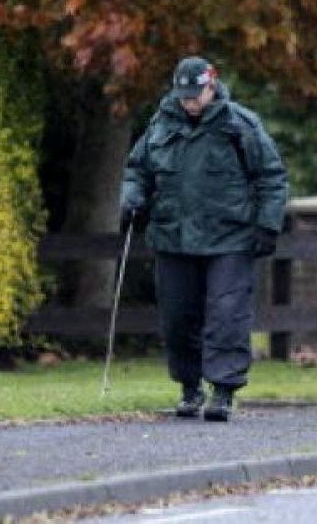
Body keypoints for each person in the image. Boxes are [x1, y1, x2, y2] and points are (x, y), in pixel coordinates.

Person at [120, 56, 288, 422]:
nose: (189, 102)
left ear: (212, 86)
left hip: (230, 238)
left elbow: (271, 177)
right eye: (184, 95)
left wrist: (267, 224)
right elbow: (138, 169)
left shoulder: (240, 125)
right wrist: (132, 196)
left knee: (227, 314)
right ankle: (189, 387)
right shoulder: (160, 124)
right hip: (173, 237)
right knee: (178, 316)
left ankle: (223, 391)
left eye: (196, 95)